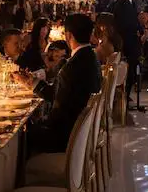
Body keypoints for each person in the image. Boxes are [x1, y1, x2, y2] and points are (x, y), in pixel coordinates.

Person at [27, 13, 102, 153]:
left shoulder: (72, 67)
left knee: (23, 135)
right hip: (81, 132)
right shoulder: (92, 57)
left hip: (67, 136)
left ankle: (37, 167)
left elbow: (56, 103)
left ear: (68, 35)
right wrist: (33, 82)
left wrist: (40, 122)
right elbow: (59, 95)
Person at [112, 0, 141, 100]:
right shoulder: (120, 2)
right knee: (126, 70)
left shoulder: (132, 1)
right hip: (126, 41)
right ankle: (123, 95)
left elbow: (135, 19)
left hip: (133, 41)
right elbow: (120, 23)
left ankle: (127, 94)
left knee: (132, 70)